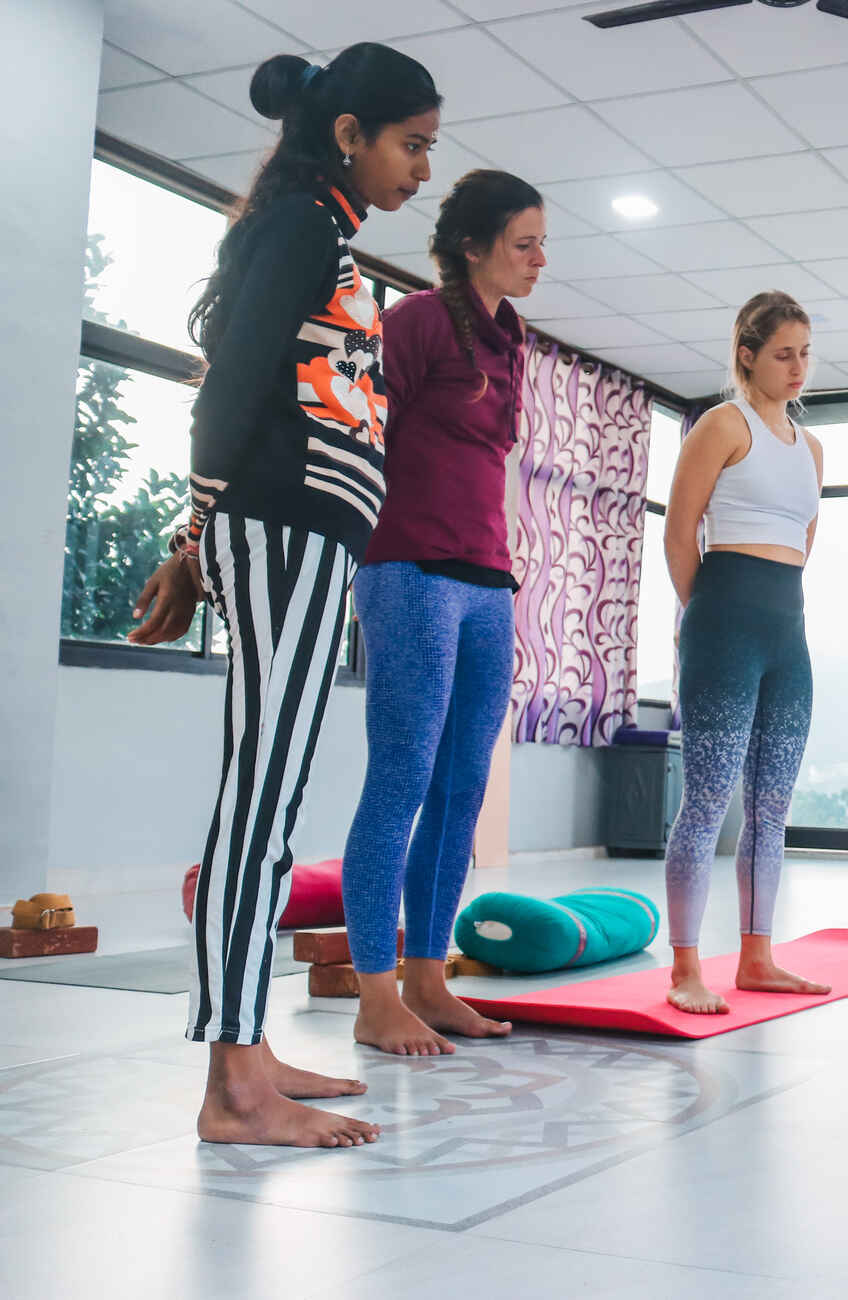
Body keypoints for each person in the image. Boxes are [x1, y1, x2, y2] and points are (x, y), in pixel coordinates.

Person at [129, 45, 441, 1145]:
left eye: (430, 148)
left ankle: (251, 1047)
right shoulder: (305, 227)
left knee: (274, 791)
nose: (422, 169)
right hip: (286, 531)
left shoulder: (322, 231)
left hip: (305, 537)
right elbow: (229, 393)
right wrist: (196, 535)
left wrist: (200, 536)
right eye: (411, 144)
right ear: (349, 133)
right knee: (260, 801)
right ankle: (231, 1086)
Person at [339, 170, 547, 1057]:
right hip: (411, 568)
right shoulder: (418, 320)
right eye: (524, 242)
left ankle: (429, 976)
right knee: (404, 777)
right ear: (473, 246)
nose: (540, 259)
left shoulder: (515, 336)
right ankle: (374, 993)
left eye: (542, 242)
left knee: (464, 786)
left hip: (489, 579)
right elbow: (361, 428)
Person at [657, 291, 829, 1014]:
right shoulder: (721, 425)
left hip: (786, 638)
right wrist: (708, 618)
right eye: (783, 353)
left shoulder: (812, 448)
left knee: (770, 807)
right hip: (723, 627)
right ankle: (685, 968)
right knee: (706, 804)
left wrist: (765, 620)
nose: (797, 368)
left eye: (804, 354)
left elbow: (803, 543)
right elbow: (678, 532)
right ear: (748, 355)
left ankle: (758, 956)